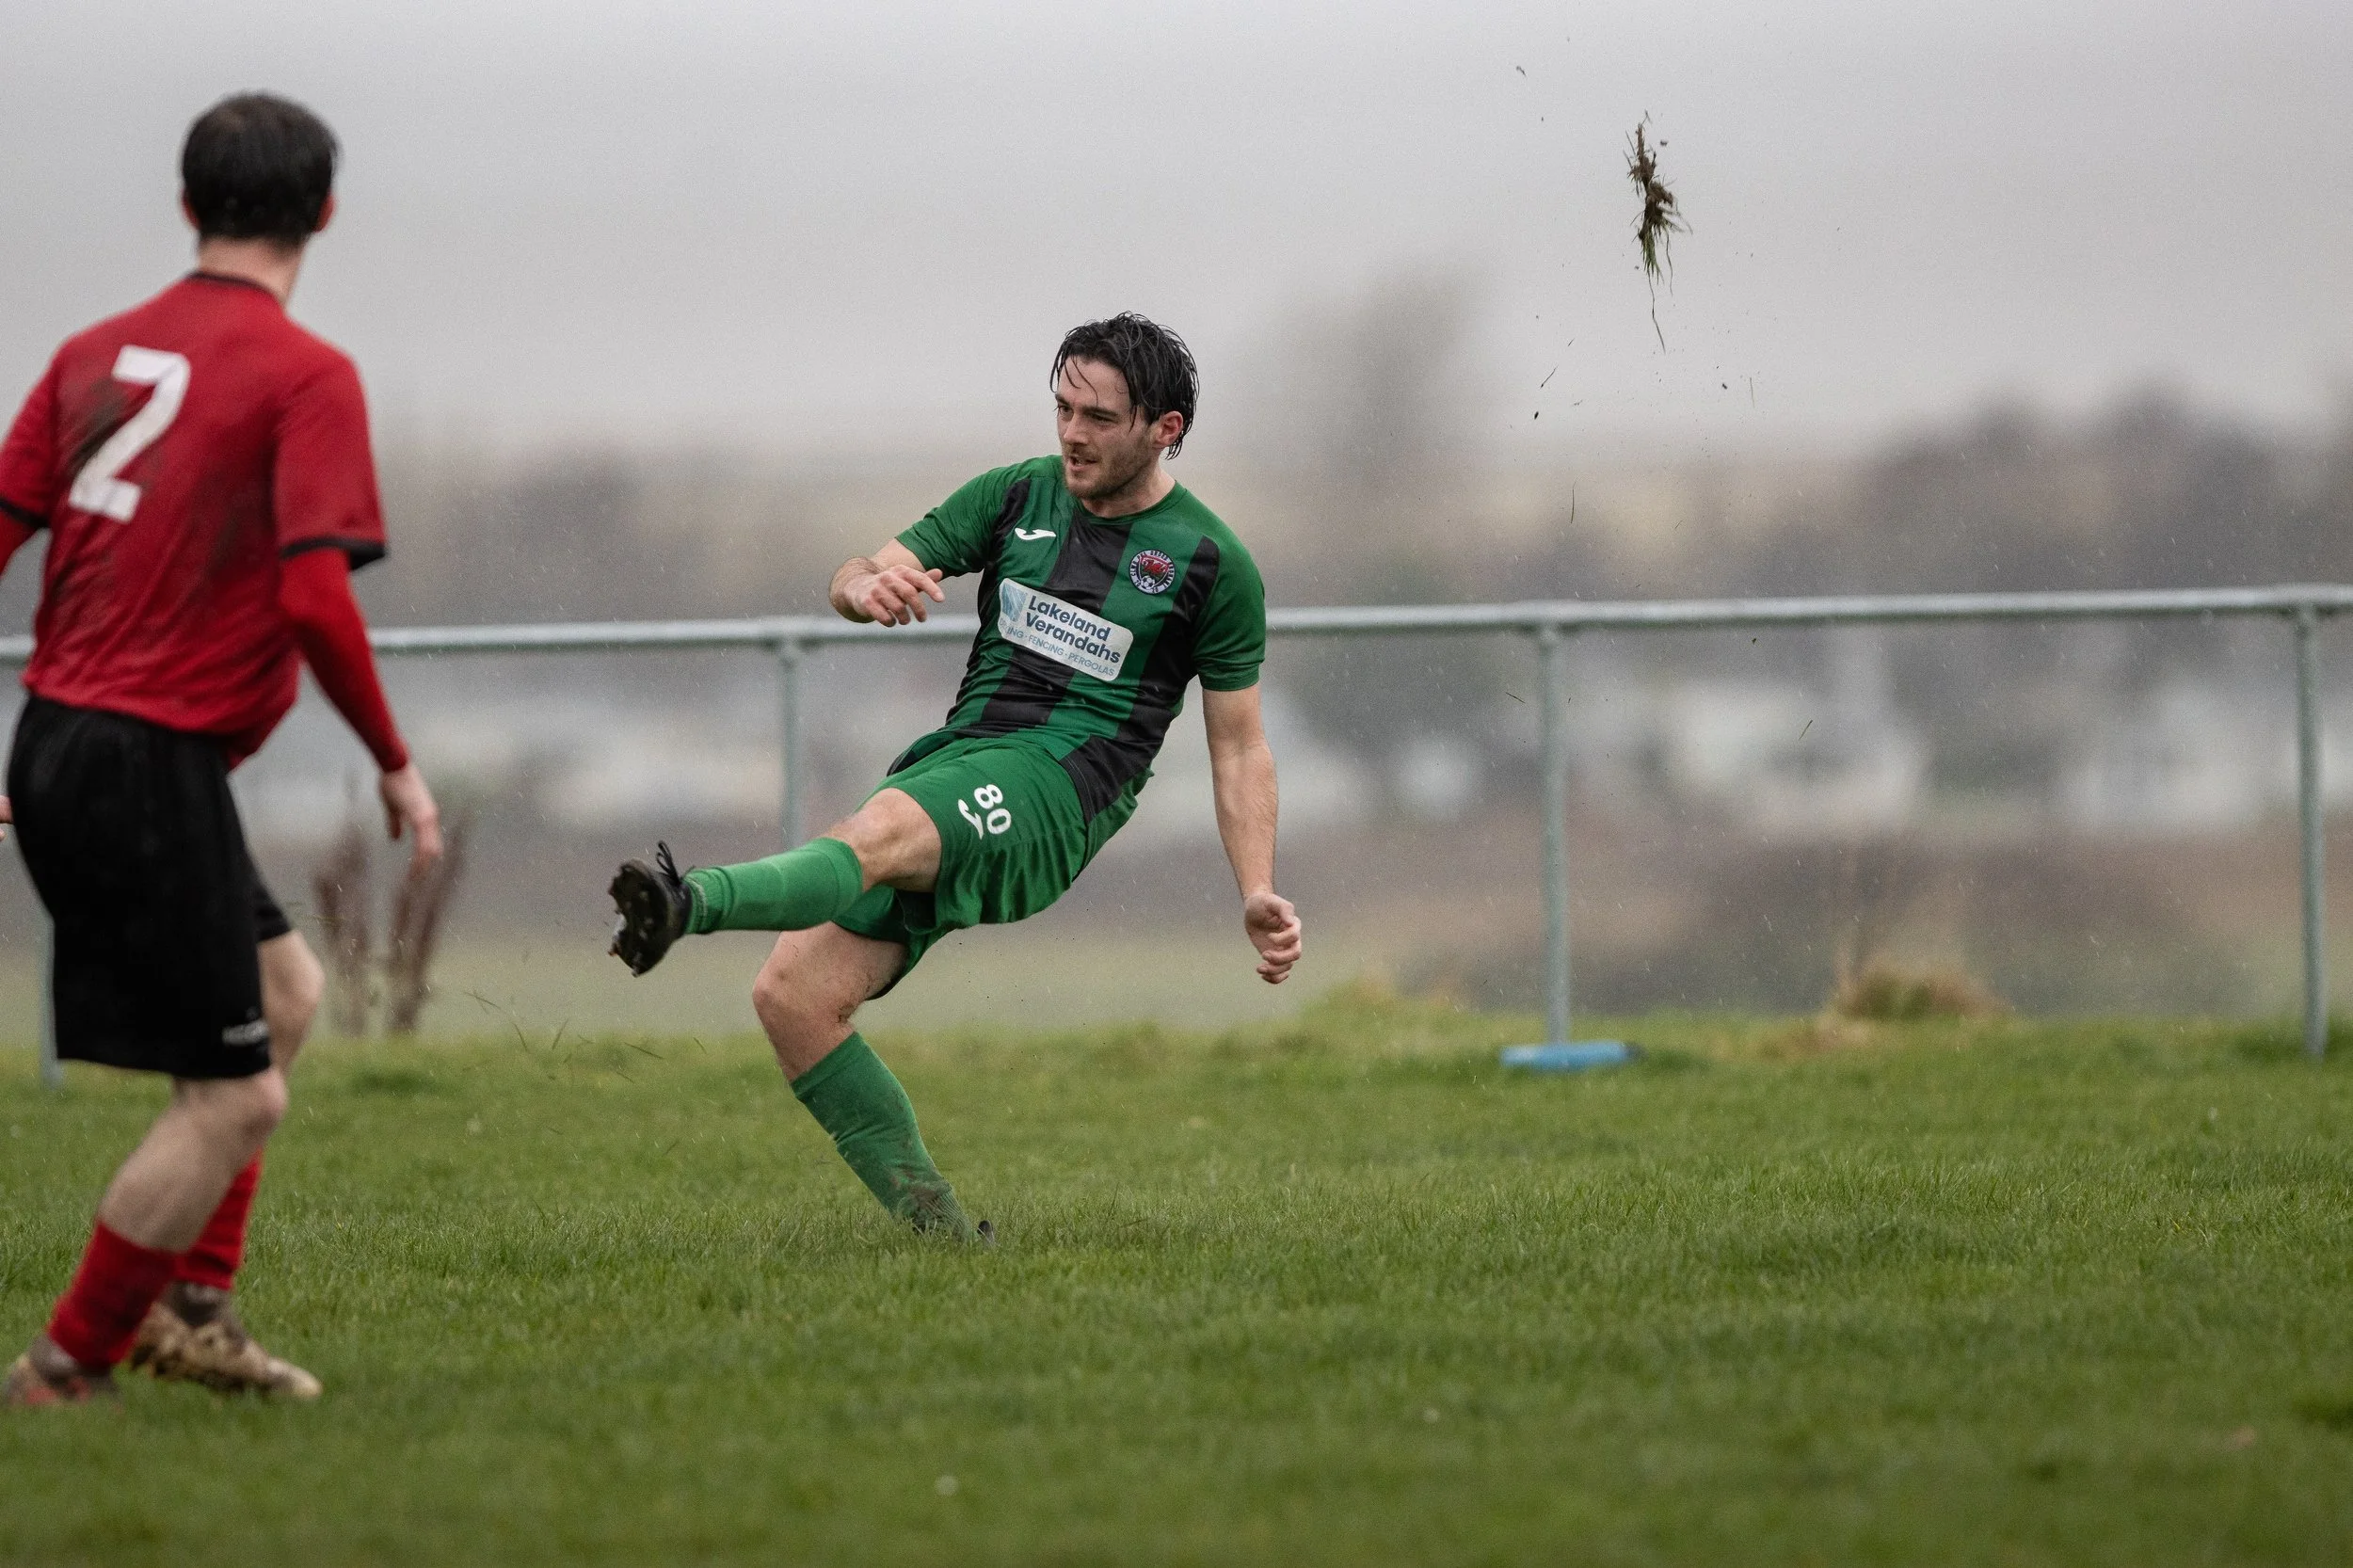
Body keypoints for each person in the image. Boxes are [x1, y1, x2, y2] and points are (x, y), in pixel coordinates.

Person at [609, 313, 1301, 1239]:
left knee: (879, 831)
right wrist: (860, 590)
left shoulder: (1211, 563)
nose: (1071, 433)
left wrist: (1255, 886)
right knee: (793, 999)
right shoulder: (1017, 495)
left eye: (1098, 416)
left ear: (1163, 428)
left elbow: (1239, 747)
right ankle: (942, 1236)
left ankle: (684, 901)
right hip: (963, 757)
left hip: (1061, 790)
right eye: (1062, 407)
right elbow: (865, 569)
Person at [0, 94, 440, 1405]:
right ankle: (66, 1367)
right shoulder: (308, 375)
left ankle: (195, 1310)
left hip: (71, 742)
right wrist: (396, 761)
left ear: (189, 207)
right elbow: (314, 597)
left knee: (288, 993)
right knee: (236, 1100)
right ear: (326, 212)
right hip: (140, 762)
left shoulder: (93, 353)